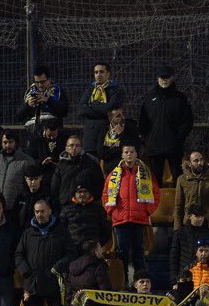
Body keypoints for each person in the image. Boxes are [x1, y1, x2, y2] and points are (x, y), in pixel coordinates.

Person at [103, 142, 160, 284]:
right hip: (121, 220)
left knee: (138, 253)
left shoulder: (145, 172)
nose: (129, 154)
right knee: (122, 254)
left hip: (139, 219)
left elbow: (155, 193)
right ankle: (124, 285)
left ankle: (140, 284)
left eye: (132, 152)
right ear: (122, 155)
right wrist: (111, 211)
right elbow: (105, 194)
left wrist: (147, 211)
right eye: (126, 152)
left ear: (136, 154)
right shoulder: (114, 174)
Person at [138, 66, 194, 184]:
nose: (164, 80)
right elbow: (143, 121)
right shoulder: (149, 98)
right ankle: (157, 203)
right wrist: (146, 140)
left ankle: (179, 202)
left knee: (178, 179)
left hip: (174, 146)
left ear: (172, 78)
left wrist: (179, 139)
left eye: (167, 77)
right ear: (157, 78)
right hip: (154, 146)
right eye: (161, 77)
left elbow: (187, 121)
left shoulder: (180, 98)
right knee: (155, 181)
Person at [80, 62, 125, 150]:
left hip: (108, 129)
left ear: (108, 74)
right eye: (96, 72)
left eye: (101, 72)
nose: (98, 74)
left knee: (108, 158)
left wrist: (93, 104)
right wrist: (103, 110)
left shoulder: (116, 89)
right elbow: (82, 110)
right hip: (91, 131)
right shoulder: (90, 89)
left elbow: (111, 110)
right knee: (90, 158)